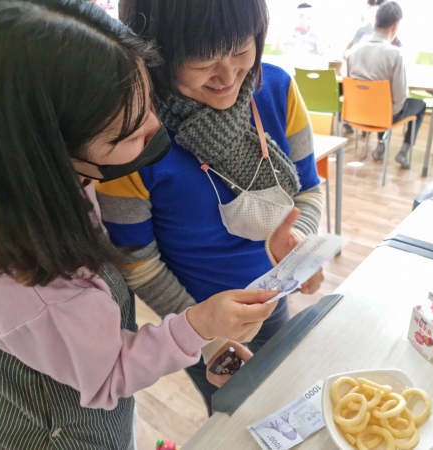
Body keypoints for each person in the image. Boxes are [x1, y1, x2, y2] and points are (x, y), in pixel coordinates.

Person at [0, 0, 278, 448]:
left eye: (147, 103)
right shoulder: (18, 274)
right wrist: (200, 325)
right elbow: (109, 372)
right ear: (48, 155)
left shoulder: (34, 175)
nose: (154, 126)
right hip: (59, 433)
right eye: (127, 134)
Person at [103, 0, 325, 415]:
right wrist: (208, 336)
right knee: (231, 417)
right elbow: (138, 263)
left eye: (241, 49)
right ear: (156, 54)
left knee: (285, 402)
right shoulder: (132, 134)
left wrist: (299, 244)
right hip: (196, 317)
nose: (228, 77)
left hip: (271, 296)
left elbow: (308, 191)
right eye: (203, 61)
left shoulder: (276, 90)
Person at [345, 1, 426, 169]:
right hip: (383, 114)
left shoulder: (354, 51)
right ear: (395, 26)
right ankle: (403, 151)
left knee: (383, 101)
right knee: (418, 105)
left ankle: (380, 145)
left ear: (376, 22)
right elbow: (400, 97)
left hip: (357, 112)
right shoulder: (395, 54)